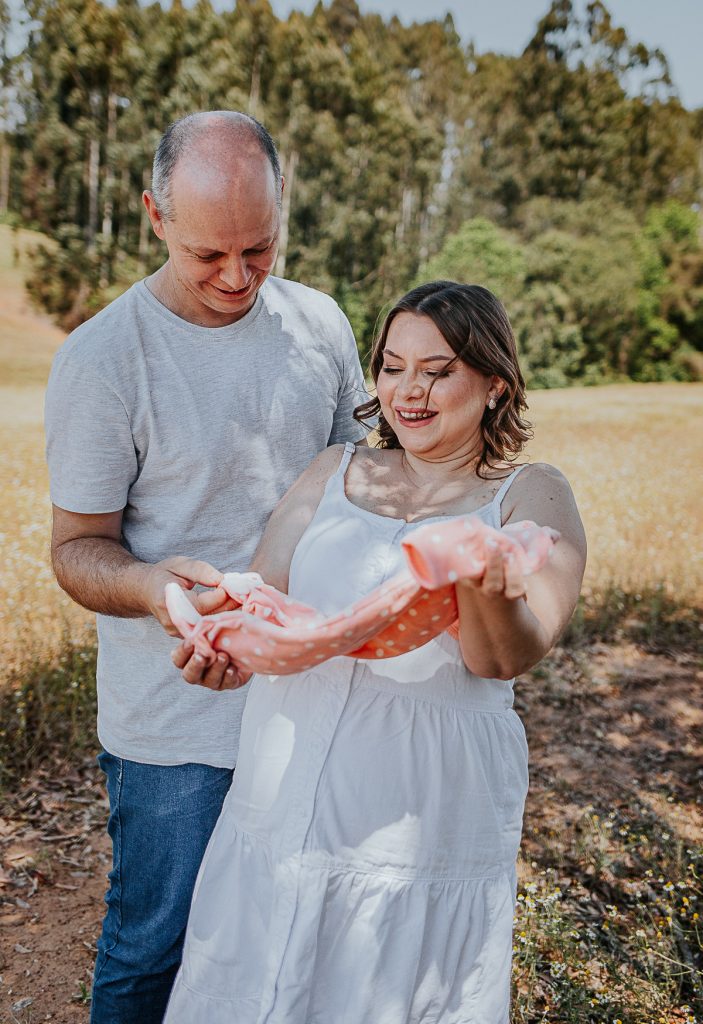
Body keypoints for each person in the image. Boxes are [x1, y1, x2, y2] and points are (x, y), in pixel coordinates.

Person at [165, 280, 587, 1023]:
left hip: (416, 809)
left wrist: (481, 584)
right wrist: (224, 644)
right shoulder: (333, 470)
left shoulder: (530, 494)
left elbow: (505, 657)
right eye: (392, 367)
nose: (408, 391)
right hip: (284, 784)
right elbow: (264, 600)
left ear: (494, 383)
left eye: (438, 370)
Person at [44, 111, 368, 1024]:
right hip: (174, 724)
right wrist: (156, 589)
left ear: (281, 210)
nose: (234, 276)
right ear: (155, 215)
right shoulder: (103, 361)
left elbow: (358, 480)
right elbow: (76, 549)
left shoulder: (320, 323)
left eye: (257, 249)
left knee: (292, 937)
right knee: (156, 943)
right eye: (206, 255)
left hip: (315, 701)